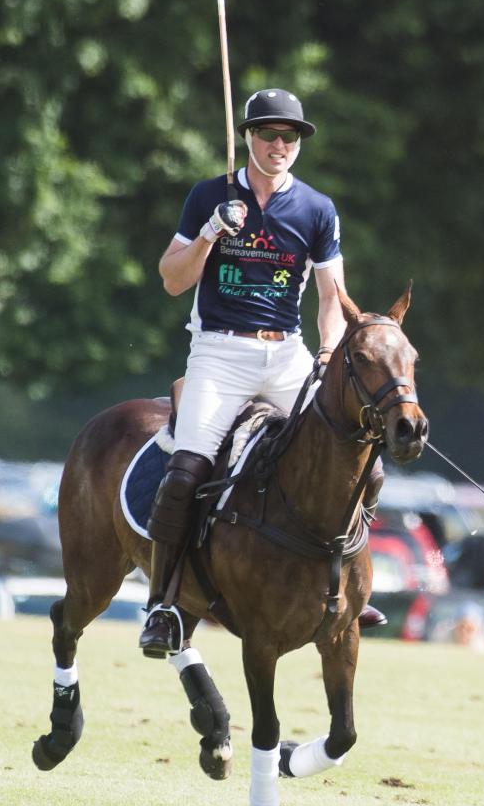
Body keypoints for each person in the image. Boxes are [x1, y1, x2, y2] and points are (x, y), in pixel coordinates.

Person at [139, 88, 385, 657]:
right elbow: (172, 279)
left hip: (288, 355)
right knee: (185, 471)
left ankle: (353, 585)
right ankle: (164, 605)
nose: (280, 146)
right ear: (247, 137)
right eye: (270, 135)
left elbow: (331, 296)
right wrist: (210, 233)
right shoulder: (209, 196)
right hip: (220, 355)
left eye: (290, 137)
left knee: (360, 460)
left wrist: (328, 352)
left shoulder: (317, 209)